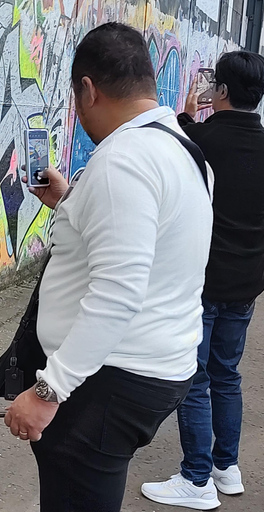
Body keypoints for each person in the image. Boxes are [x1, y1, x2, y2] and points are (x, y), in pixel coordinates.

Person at [4, 23, 213, 511]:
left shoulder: (124, 159)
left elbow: (118, 291)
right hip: (154, 365)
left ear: (88, 89)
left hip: (107, 380)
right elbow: (153, 242)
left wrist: (47, 390)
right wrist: (70, 201)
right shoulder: (184, 148)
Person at [141, 51, 264, 510]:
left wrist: (189, 112)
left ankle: (195, 480)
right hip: (246, 284)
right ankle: (224, 468)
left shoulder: (200, 138)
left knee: (195, 378)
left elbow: (175, 139)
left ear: (224, 92)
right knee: (227, 374)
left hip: (203, 280)